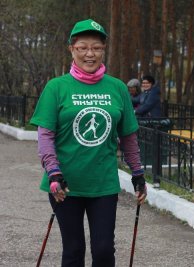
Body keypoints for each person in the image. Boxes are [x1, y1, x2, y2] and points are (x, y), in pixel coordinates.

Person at [30, 19, 147, 267]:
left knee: (104, 250)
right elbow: (45, 135)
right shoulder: (56, 87)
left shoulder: (117, 88)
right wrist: (53, 172)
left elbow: (128, 136)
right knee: (73, 250)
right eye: (82, 47)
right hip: (64, 184)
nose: (89, 54)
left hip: (103, 183)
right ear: (71, 49)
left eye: (96, 47)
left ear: (104, 50)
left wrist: (137, 172)